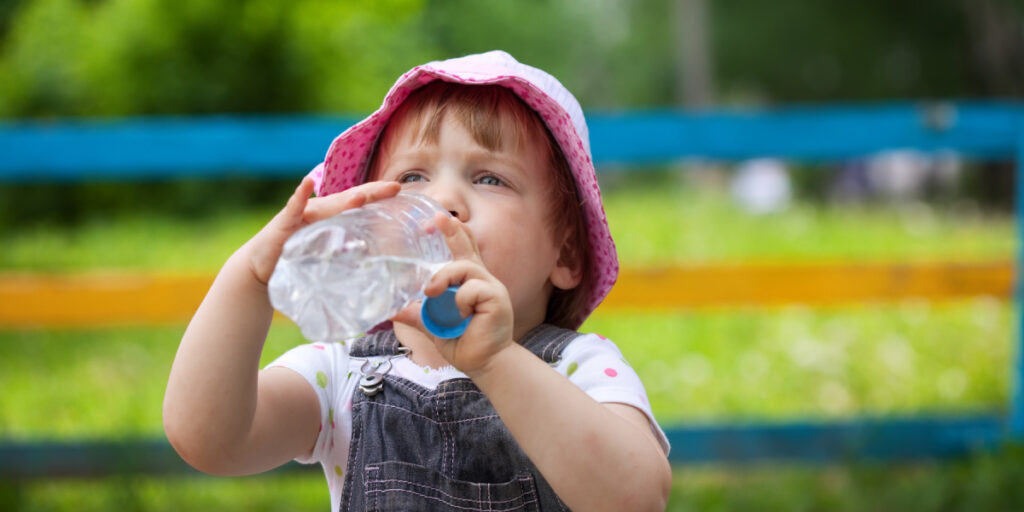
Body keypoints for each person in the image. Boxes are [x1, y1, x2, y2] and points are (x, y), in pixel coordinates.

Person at [163, 50, 671, 511]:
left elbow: (635, 499)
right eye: (411, 179)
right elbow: (210, 438)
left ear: (564, 253)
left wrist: (496, 362)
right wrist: (250, 276)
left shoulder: (581, 370)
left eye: (489, 178)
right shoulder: (338, 375)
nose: (441, 200)